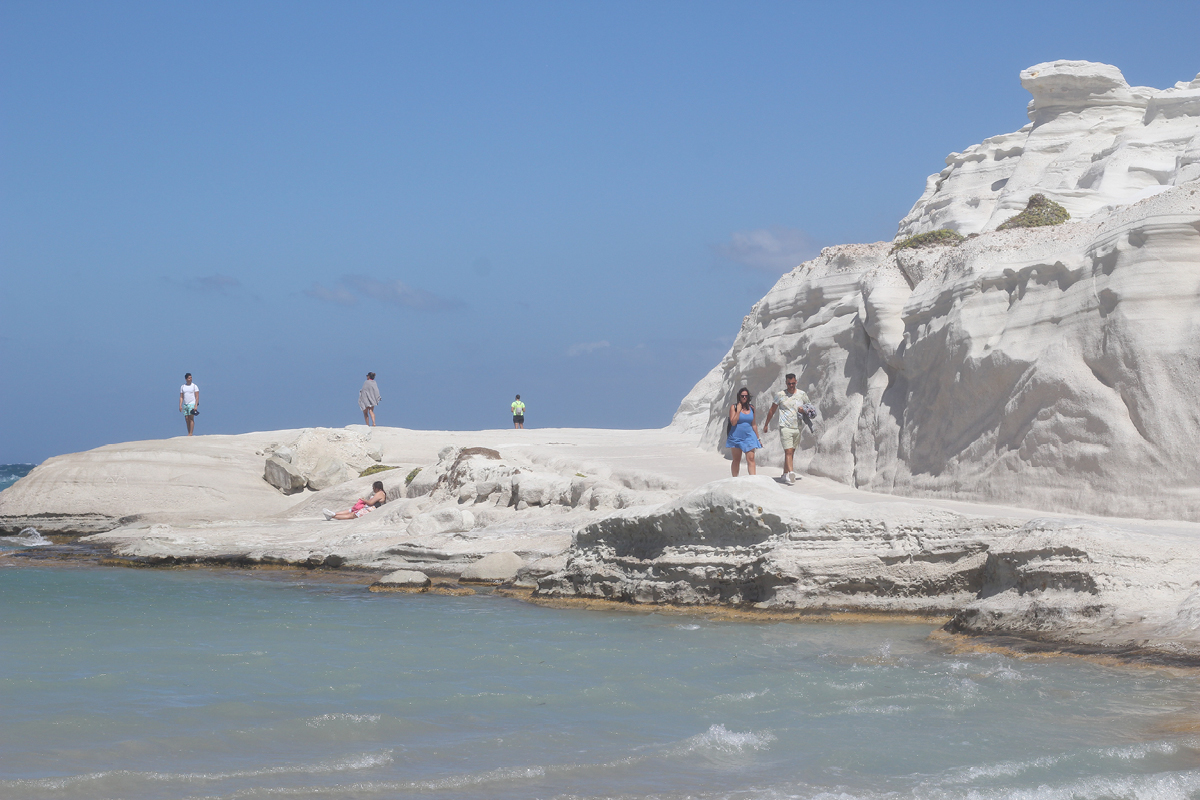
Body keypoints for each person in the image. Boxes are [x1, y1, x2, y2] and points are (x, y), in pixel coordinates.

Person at [762, 372, 812, 485]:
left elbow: (809, 407)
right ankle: (791, 473)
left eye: (793, 383)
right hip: (785, 426)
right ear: (786, 383)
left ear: (796, 382)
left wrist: (803, 410)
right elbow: (772, 410)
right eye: (789, 384)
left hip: (798, 427)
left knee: (791, 452)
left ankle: (784, 474)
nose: (791, 386)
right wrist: (766, 424)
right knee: (788, 451)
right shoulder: (780, 395)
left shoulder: (802, 394)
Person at [725, 387, 762, 476]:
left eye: (746, 396)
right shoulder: (733, 407)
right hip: (736, 436)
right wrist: (738, 410)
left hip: (749, 436)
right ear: (739, 397)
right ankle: (734, 479)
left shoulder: (752, 408)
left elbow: (754, 424)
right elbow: (733, 422)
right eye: (742, 396)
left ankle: (753, 479)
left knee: (751, 458)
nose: (744, 397)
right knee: (736, 459)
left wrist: (758, 438)